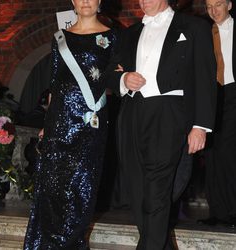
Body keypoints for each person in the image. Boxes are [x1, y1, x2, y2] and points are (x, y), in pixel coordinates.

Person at [102, 0, 217, 249]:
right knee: (138, 192)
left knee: (157, 194)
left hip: (169, 114)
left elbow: (205, 78)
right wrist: (123, 78)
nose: (144, 1)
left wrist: (200, 126)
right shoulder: (130, 33)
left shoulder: (194, 27)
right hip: (132, 113)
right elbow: (109, 72)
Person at [23, 0, 119, 249]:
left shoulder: (113, 36)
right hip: (60, 121)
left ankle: (71, 244)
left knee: (83, 187)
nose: (85, 1)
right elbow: (55, 82)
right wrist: (47, 122)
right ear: (74, 2)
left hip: (91, 123)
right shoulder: (60, 37)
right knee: (53, 187)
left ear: (100, 1)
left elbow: (117, 77)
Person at [198, 0, 236, 228]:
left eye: (218, 4)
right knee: (211, 155)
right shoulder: (202, 31)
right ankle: (217, 211)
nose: (214, 10)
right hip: (212, 95)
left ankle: (232, 210)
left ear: (229, 5)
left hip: (234, 92)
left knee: (229, 154)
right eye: (209, 5)